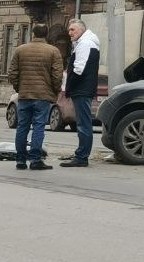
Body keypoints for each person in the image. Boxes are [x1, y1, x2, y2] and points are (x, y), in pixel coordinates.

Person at [8, 24, 64, 171]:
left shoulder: (21, 50)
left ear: (33, 33)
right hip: (43, 96)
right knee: (39, 127)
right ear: (46, 35)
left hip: (25, 95)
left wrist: (19, 88)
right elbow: (57, 76)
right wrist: (55, 91)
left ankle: (20, 160)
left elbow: (12, 73)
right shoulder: (53, 51)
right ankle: (35, 160)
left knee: (22, 127)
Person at [60, 19, 100, 168]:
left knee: (83, 124)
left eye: (73, 30)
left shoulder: (85, 44)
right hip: (84, 89)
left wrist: (69, 87)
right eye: (69, 30)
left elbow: (78, 69)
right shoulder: (86, 43)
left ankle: (82, 157)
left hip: (82, 89)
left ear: (82, 30)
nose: (70, 33)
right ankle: (81, 153)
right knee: (83, 123)